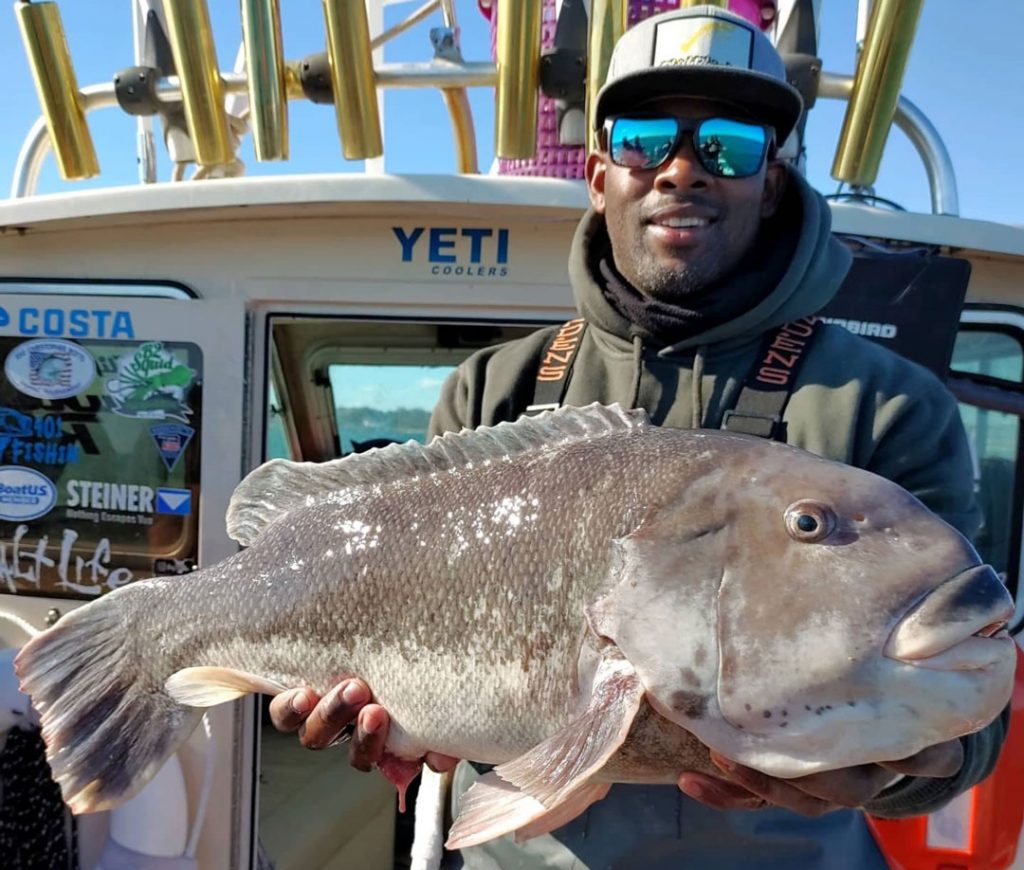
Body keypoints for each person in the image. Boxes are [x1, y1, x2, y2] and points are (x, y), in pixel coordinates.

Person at [269, 6, 1008, 868]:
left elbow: (975, 696)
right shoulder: (493, 389)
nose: (680, 170)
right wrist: (385, 726)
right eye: (644, 138)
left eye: (727, 144)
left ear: (771, 180)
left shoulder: (887, 406)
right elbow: (408, 688)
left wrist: (920, 764)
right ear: (597, 174)